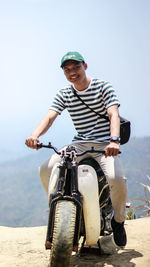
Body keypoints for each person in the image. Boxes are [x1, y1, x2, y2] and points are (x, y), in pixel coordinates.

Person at [25, 51, 127, 248]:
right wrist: (35, 135)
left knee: (117, 179)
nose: (72, 72)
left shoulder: (103, 86)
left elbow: (113, 113)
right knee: (45, 169)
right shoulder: (64, 93)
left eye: (76, 67)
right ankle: (58, 212)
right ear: (64, 73)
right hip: (79, 143)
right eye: (67, 70)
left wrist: (114, 140)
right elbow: (50, 117)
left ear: (85, 66)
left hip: (104, 144)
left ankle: (119, 221)